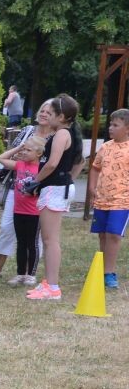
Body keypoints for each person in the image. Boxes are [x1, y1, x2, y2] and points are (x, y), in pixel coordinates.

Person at [24, 94, 84, 301]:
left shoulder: (61, 135)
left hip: (54, 189)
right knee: (48, 239)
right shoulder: (64, 133)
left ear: (62, 116)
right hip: (56, 187)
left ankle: (53, 287)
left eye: (52, 112)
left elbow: (52, 163)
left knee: (50, 240)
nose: (47, 115)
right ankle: (49, 283)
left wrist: (36, 181)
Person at [0, 104, 51, 281]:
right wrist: (22, 149)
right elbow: (9, 156)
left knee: (34, 238)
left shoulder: (56, 137)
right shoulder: (27, 131)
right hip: (18, 189)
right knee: (7, 227)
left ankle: (29, 273)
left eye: (48, 112)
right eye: (42, 110)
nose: (43, 114)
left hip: (39, 196)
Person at [0, 135, 47, 287]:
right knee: (21, 243)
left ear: (38, 153)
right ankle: (20, 274)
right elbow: (1, 158)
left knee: (32, 243)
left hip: (34, 212)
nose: (24, 152)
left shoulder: (41, 169)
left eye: (28, 150)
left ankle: (31, 274)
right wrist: (18, 148)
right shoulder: (19, 165)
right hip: (18, 210)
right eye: (23, 149)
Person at [87, 108, 129, 290]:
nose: (110, 128)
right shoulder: (105, 147)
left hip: (122, 200)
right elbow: (96, 168)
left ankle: (109, 272)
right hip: (102, 199)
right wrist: (91, 187)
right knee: (103, 235)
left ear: (127, 129)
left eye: (115, 125)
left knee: (113, 234)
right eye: (110, 124)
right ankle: (102, 269)